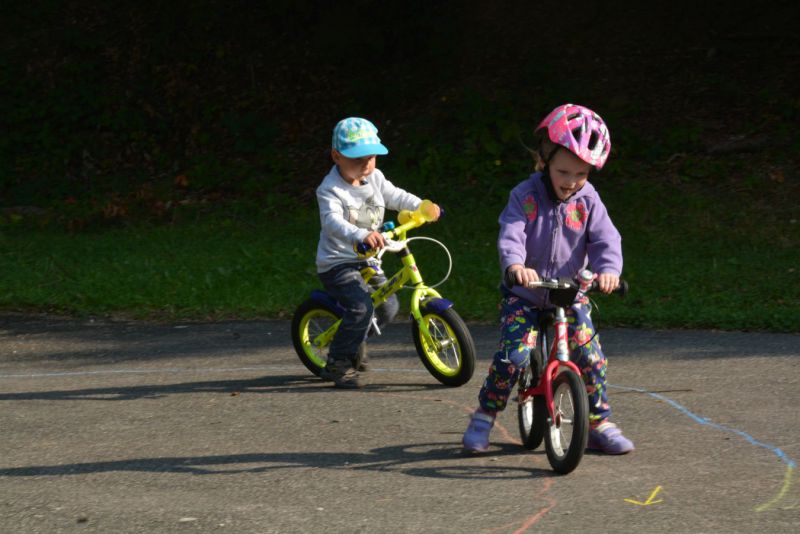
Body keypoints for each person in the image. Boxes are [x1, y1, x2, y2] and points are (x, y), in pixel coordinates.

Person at [462, 103, 634, 454]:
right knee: (514, 356)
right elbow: (511, 233)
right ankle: (485, 415)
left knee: (590, 355)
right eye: (563, 171)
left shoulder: (588, 201)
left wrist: (609, 272)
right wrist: (515, 266)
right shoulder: (524, 196)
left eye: (581, 174)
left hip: (570, 294)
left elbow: (606, 239)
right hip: (525, 294)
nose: (571, 182)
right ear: (544, 160)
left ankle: (598, 423)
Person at [316, 117, 440, 388]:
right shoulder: (330, 190)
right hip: (339, 263)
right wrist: (361, 234)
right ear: (336, 156)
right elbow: (332, 222)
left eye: (371, 157)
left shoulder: (374, 178)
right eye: (357, 159)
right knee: (361, 307)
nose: (366, 164)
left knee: (388, 307)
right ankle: (338, 363)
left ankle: (353, 339)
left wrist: (421, 206)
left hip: (369, 258)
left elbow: (395, 196)